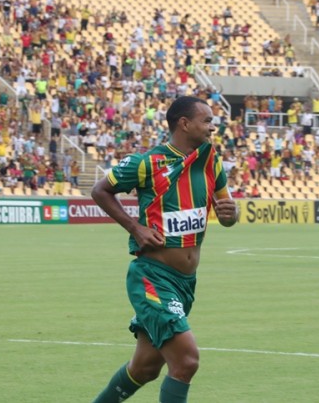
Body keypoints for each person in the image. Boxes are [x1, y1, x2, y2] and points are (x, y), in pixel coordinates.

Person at [90, 96, 238, 403]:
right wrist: (135, 227)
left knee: (144, 368)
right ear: (185, 123)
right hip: (153, 279)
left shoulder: (211, 161)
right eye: (207, 121)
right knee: (186, 361)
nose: (213, 127)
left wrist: (230, 214)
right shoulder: (147, 163)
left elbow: (228, 213)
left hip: (185, 284)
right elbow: (99, 190)